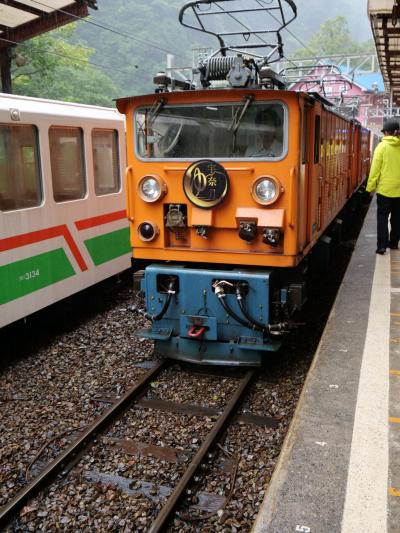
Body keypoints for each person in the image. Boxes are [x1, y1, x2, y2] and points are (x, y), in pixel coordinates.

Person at [366, 117, 400, 254]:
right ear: (397, 132)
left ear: (386, 132)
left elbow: (375, 170)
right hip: (399, 191)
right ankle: (394, 243)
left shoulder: (381, 147)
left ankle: (381, 246)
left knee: (382, 219)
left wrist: (370, 188)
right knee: (397, 219)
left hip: (384, 191)